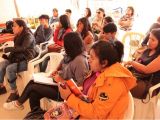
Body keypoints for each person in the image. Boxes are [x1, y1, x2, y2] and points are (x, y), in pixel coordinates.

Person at [3, 32, 89, 111]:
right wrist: (56, 70)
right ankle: (34, 114)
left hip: (65, 93)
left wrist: (62, 81)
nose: (63, 45)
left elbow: (81, 88)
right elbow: (62, 62)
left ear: (71, 45)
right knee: (33, 89)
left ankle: (18, 103)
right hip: (58, 84)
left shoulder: (80, 61)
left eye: (65, 44)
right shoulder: (71, 54)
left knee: (33, 87)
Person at [58, 40, 136, 119]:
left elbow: (96, 114)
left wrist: (69, 97)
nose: (89, 60)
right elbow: (93, 99)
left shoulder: (112, 81)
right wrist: (77, 93)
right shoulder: (102, 73)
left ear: (104, 62)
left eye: (92, 58)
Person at [0, 19, 37, 102]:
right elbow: (16, 50)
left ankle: (15, 92)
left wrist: (10, 49)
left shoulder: (28, 35)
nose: (12, 27)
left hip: (27, 60)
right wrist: (9, 56)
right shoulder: (17, 36)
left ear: (21, 27)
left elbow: (23, 48)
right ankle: (1, 86)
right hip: (18, 58)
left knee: (9, 68)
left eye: (14, 26)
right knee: (2, 64)